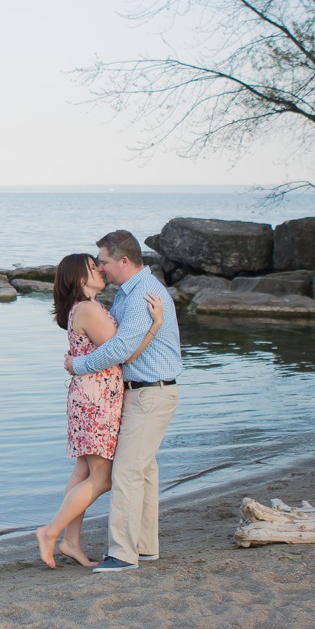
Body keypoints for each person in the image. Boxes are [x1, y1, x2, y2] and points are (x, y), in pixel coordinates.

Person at [65, 229, 182, 573]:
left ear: (124, 261)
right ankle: (144, 547)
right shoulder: (128, 293)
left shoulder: (143, 293)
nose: (101, 269)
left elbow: (119, 350)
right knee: (143, 472)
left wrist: (78, 366)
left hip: (151, 391)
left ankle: (122, 554)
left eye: (103, 262)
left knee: (128, 473)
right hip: (140, 391)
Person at [36, 253, 163, 568]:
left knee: (83, 472)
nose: (101, 270)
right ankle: (50, 532)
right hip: (97, 401)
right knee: (103, 478)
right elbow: (123, 353)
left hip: (88, 396)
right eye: (94, 268)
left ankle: (71, 541)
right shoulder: (89, 309)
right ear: (80, 277)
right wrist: (154, 326)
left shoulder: (84, 308)